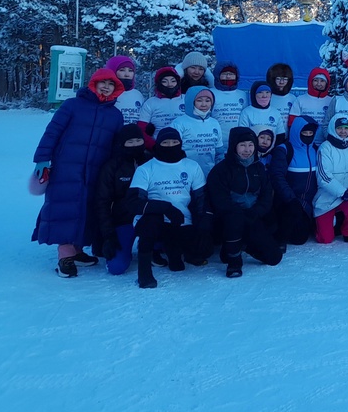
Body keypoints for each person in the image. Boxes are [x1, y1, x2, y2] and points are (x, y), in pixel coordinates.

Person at [32, 68, 124, 277]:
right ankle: (65, 256)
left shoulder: (115, 115)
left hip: (96, 170)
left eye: (111, 84)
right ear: (93, 84)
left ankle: (78, 251)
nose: (107, 87)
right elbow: (53, 131)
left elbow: (115, 145)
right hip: (67, 167)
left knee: (86, 209)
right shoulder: (73, 105)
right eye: (103, 83)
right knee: (65, 209)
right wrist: (42, 159)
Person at [126, 127, 212, 288]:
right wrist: (165, 208)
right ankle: (144, 272)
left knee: (201, 252)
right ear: (158, 144)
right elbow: (133, 203)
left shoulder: (191, 166)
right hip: (154, 219)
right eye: (166, 142)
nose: (170, 145)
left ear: (180, 143)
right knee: (151, 223)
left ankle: (175, 251)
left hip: (182, 219)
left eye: (175, 142)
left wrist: (204, 223)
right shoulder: (146, 169)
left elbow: (202, 199)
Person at [206, 126, 283, 278]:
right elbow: (220, 200)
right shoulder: (221, 170)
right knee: (234, 221)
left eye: (250, 145)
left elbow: (267, 194)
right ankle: (234, 262)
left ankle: (240, 244)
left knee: (274, 257)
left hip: (253, 216)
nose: (247, 150)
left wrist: (257, 211)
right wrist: (238, 214)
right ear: (234, 146)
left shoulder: (258, 168)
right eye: (242, 145)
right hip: (229, 218)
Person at [94, 124, 149, 275]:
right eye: (130, 142)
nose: (135, 145)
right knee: (117, 267)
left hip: (149, 218)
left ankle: (155, 248)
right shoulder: (112, 167)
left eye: (138, 141)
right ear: (122, 144)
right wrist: (108, 235)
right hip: (123, 221)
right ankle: (123, 251)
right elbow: (102, 202)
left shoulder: (151, 161)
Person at [269, 115, 319, 247]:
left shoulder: (316, 149)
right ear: (297, 131)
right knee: (296, 236)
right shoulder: (285, 149)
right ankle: (279, 237)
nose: (307, 135)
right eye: (304, 132)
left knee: (304, 237)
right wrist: (290, 199)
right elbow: (277, 176)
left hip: (309, 203)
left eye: (310, 133)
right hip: (289, 201)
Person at [313, 116, 348, 244]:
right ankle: (326, 223)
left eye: (346, 128)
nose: (343, 131)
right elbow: (324, 177)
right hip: (327, 196)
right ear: (333, 129)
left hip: (346, 194)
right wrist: (343, 193)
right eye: (339, 128)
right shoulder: (325, 148)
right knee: (325, 239)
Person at [171, 86, 224, 176]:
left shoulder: (214, 123)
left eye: (207, 101)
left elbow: (219, 152)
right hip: (186, 173)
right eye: (199, 100)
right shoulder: (179, 123)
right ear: (191, 102)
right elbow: (172, 152)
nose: (204, 104)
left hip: (210, 173)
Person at [138, 66, 185, 147]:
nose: (169, 84)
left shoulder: (186, 99)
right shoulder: (151, 102)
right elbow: (141, 129)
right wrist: (154, 146)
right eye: (165, 81)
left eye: (173, 81)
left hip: (184, 148)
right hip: (158, 147)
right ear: (159, 83)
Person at [211, 62, 248, 150]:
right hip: (216, 141)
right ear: (217, 75)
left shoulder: (242, 94)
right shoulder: (210, 93)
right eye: (224, 74)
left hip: (238, 141)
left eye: (231, 74)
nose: (228, 77)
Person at [106, 55, 146, 125]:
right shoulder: (106, 94)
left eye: (130, 70)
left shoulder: (138, 95)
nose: (127, 74)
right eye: (122, 70)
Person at [266, 63, 296, 128]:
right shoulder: (266, 98)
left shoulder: (293, 98)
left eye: (285, 79)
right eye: (278, 79)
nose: (281, 82)